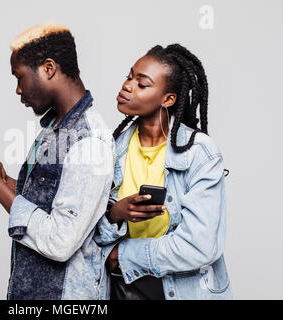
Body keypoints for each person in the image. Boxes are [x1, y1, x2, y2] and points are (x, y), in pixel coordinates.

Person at [0, 22, 115, 299]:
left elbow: (60, 242)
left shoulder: (88, 142)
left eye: (19, 77)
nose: (18, 90)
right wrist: (2, 181)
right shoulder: (55, 128)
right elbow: (47, 203)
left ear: (48, 68)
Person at [94, 44, 232, 300]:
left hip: (183, 291)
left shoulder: (199, 154)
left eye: (142, 84)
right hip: (120, 289)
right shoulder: (110, 150)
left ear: (168, 99)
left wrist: (119, 255)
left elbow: (199, 247)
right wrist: (115, 213)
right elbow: (87, 235)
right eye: (129, 77)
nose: (128, 86)